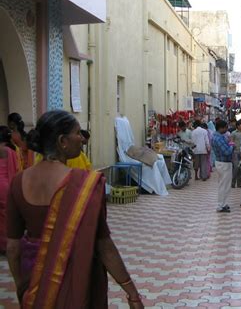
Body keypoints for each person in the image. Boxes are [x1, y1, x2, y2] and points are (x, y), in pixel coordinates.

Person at [6, 110, 143, 308]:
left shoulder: (18, 182)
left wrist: (22, 287)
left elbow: (13, 248)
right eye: (77, 133)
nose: (81, 138)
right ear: (63, 141)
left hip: (34, 283)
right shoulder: (83, 184)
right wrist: (131, 292)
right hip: (76, 282)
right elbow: (104, 246)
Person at [0, 126, 19, 253]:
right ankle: (5, 245)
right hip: (5, 185)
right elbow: (15, 169)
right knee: (5, 215)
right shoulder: (9, 150)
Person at [211, 120, 234, 213]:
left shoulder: (216, 137)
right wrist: (232, 145)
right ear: (221, 128)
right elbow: (227, 152)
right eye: (225, 127)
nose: (227, 129)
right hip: (224, 163)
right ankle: (221, 205)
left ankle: (223, 203)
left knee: (223, 184)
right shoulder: (219, 139)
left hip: (220, 162)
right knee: (225, 185)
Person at [231, 120, 241, 188]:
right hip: (236, 152)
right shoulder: (233, 133)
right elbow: (231, 142)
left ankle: (239, 183)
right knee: (236, 168)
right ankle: (233, 182)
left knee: (240, 168)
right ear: (238, 126)